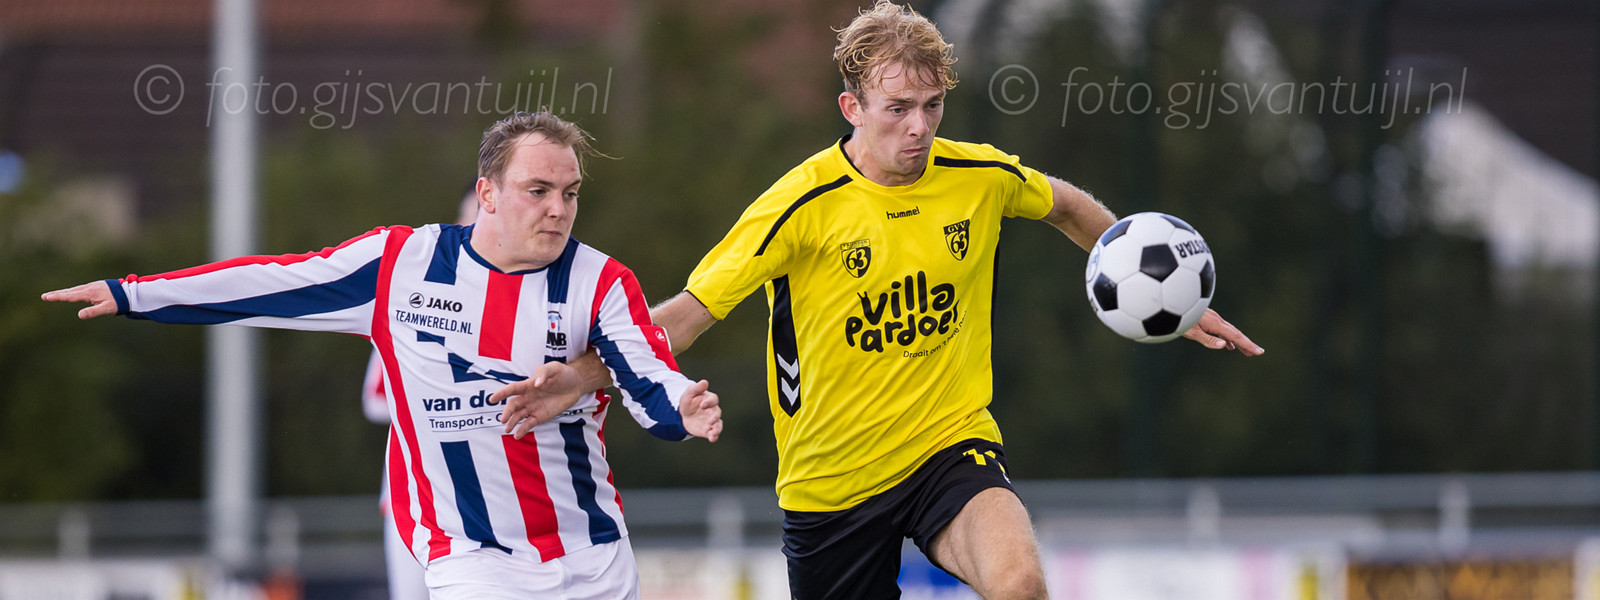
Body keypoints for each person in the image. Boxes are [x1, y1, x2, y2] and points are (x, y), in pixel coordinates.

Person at [494, 3, 1265, 599]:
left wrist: (1167, 296)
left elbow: (1065, 206)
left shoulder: (978, 177)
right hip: (830, 486)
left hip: (949, 449)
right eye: (898, 107)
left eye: (932, 105)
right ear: (851, 106)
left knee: (1021, 584)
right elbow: (684, 319)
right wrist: (579, 377)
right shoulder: (799, 207)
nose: (919, 127)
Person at [43, 111, 723, 599]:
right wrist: (135, 293)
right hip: (474, 558)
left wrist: (681, 405)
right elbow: (271, 283)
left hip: (596, 554)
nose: (558, 210)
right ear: (487, 193)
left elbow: (647, 374)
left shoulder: (600, 280)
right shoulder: (402, 264)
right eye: (538, 191)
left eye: (570, 194)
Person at [357, 184, 478, 600]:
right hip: (415, 495)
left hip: (492, 500)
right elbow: (374, 399)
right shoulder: (416, 300)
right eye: (474, 216)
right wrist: (446, 394)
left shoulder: (535, 298)